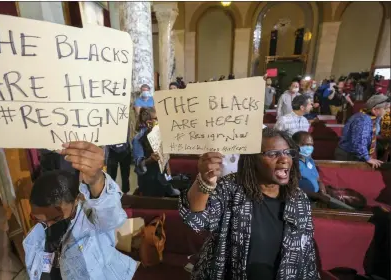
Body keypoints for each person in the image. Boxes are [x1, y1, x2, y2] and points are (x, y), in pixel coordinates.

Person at [179, 128, 319, 280]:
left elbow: (306, 254)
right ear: (253, 159)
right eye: (273, 154)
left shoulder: (298, 199)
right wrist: (205, 181)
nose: (284, 159)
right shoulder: (231, 188)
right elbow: (196, 219)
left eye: (288, 152)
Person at [23, 141, 136, 280]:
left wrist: (96, 180)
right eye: (39, 219)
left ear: (77, 200)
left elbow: (110, 216)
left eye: (57, 218)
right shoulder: (32, 241)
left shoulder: (91, 221)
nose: (49, 225)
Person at [132, 107, 180, 197]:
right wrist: (150, 159)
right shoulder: (138, 139)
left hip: (163, 178)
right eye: (157, 119)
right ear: (149, 123)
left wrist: (168, 169)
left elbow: (165, 155)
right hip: (149, 181)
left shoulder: (161, 134)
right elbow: (139, 165)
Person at [335, 95, 390, 168]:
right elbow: (359, 142)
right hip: (349, 155)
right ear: (374, 109)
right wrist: (367, 158)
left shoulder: (371, 116)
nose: (388, 110)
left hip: (355, 154)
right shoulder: (363, 120)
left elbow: (372, 133)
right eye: (385, 108)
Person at [292, 131, 329, 200]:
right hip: (304, 199)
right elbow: (295, 187)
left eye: (311, 145)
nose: (309, 147)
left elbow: (318, 180)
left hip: (318, 196)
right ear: (295, 145)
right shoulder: (292, 163)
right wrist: (317, 196)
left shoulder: (310, 160)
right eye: (306, 144)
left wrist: (322, 191)